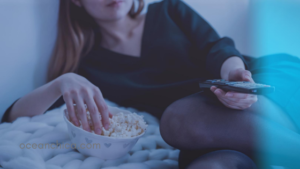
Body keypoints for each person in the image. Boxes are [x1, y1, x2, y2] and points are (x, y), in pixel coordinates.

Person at [1, 0, 300, 168]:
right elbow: (12, 117)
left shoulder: (169, 10)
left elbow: (218, 47)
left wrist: (236, 76)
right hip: (201, 131)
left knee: (177, 119)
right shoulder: (88, 67)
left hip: (258, 87)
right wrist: (61, 82)